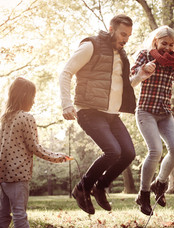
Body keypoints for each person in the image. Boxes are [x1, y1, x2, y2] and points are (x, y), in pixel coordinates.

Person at [59, 14, 141, 214]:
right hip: (89, 110)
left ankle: (100, 187)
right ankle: (82, 188)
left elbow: (121, 86)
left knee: (129, 153)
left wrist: (141, 76)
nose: (125, 39)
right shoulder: (91, 45)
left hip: (111, 114)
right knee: (113, 151)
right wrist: (66, 104)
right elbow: (66, 72)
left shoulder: (121, 55)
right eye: (123, 34)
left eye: (129, 36)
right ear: (111, 29)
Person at [130, 25, 174, 216]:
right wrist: (143, 70)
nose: (167, 48)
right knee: (155, 151)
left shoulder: (172, 61)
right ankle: (143, 195)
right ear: (156, 41)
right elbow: (132, 76)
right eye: (164, 43)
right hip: (146, 112)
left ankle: (159, 184)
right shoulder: (145, 55)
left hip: (165, 113)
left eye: (171, 45)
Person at [0, 77, 72, 228]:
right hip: (18, 174)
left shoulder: (5, 118)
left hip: (3, 174)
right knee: (19, 212)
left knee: (3, 212)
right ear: (24, 96)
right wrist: (58, 157)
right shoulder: (26, 117)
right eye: (32, 97)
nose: (34, 101)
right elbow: (35, 147)